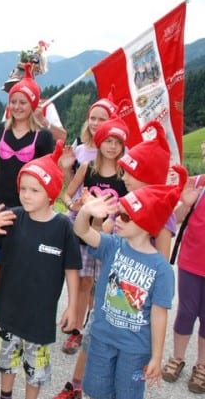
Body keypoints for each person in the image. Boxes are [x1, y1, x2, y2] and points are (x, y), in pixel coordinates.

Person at [55, 120, 175, 399]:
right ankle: (77, 384)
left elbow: (161, 266)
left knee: (124, 380)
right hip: (111, 295)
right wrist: (93, 215)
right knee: (95, 346)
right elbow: (96, 234)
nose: (125, 177)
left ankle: (78, 384)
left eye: (131, 172)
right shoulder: (127, 203)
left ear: (148, 176)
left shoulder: (160, 215)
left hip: (135, 316)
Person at [73, 165, 187, 399]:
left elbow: (159, 314)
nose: (117, 220)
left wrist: (156, 356)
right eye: (118, 214)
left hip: (135, 349)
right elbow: (82, 231)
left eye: (125, 216)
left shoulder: (162, 269)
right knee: (96, 392)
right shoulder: (112, 245)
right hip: (102, 339)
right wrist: (86, 211)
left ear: (146, 224)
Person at [0, 141, 81, 399]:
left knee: (35, 369)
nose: (25, 195)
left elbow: (71, 268)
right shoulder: (11, 218)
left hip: (40, 316)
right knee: (7, 360)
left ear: (51, 194)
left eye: (34, 190)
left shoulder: (62, 227)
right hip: (10, 310)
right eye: (23, 188)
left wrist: (73, 306)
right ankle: (5, 394)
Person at [0, 63, 55, 328]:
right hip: (0, 204)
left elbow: (50, 173)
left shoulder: (42, 136)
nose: (18, 106)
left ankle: (18, 305)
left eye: (23, 101)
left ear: (32, 104)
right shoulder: (0, 132)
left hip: (30, 207)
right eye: (14, 101)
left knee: (23, 260)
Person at [59, 115, 128, 355]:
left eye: (117, 142)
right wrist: (73, 206)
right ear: (98, 142)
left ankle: (104, 332)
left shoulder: (125, 174)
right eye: (108, 140)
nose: (112, 146)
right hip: (83, 235)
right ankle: (75, 330)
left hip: (110, 240)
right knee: (83, 283)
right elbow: (66, 195)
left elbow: (130, 206)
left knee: (109, 287)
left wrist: (115, 220)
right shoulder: (88, 168)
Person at [161, 163, 205, 393]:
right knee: (186, 312)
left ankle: (202, 366)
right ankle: (177, 358)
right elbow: (174, 220)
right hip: (191, 261)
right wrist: (186, 204)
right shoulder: (196, 184)